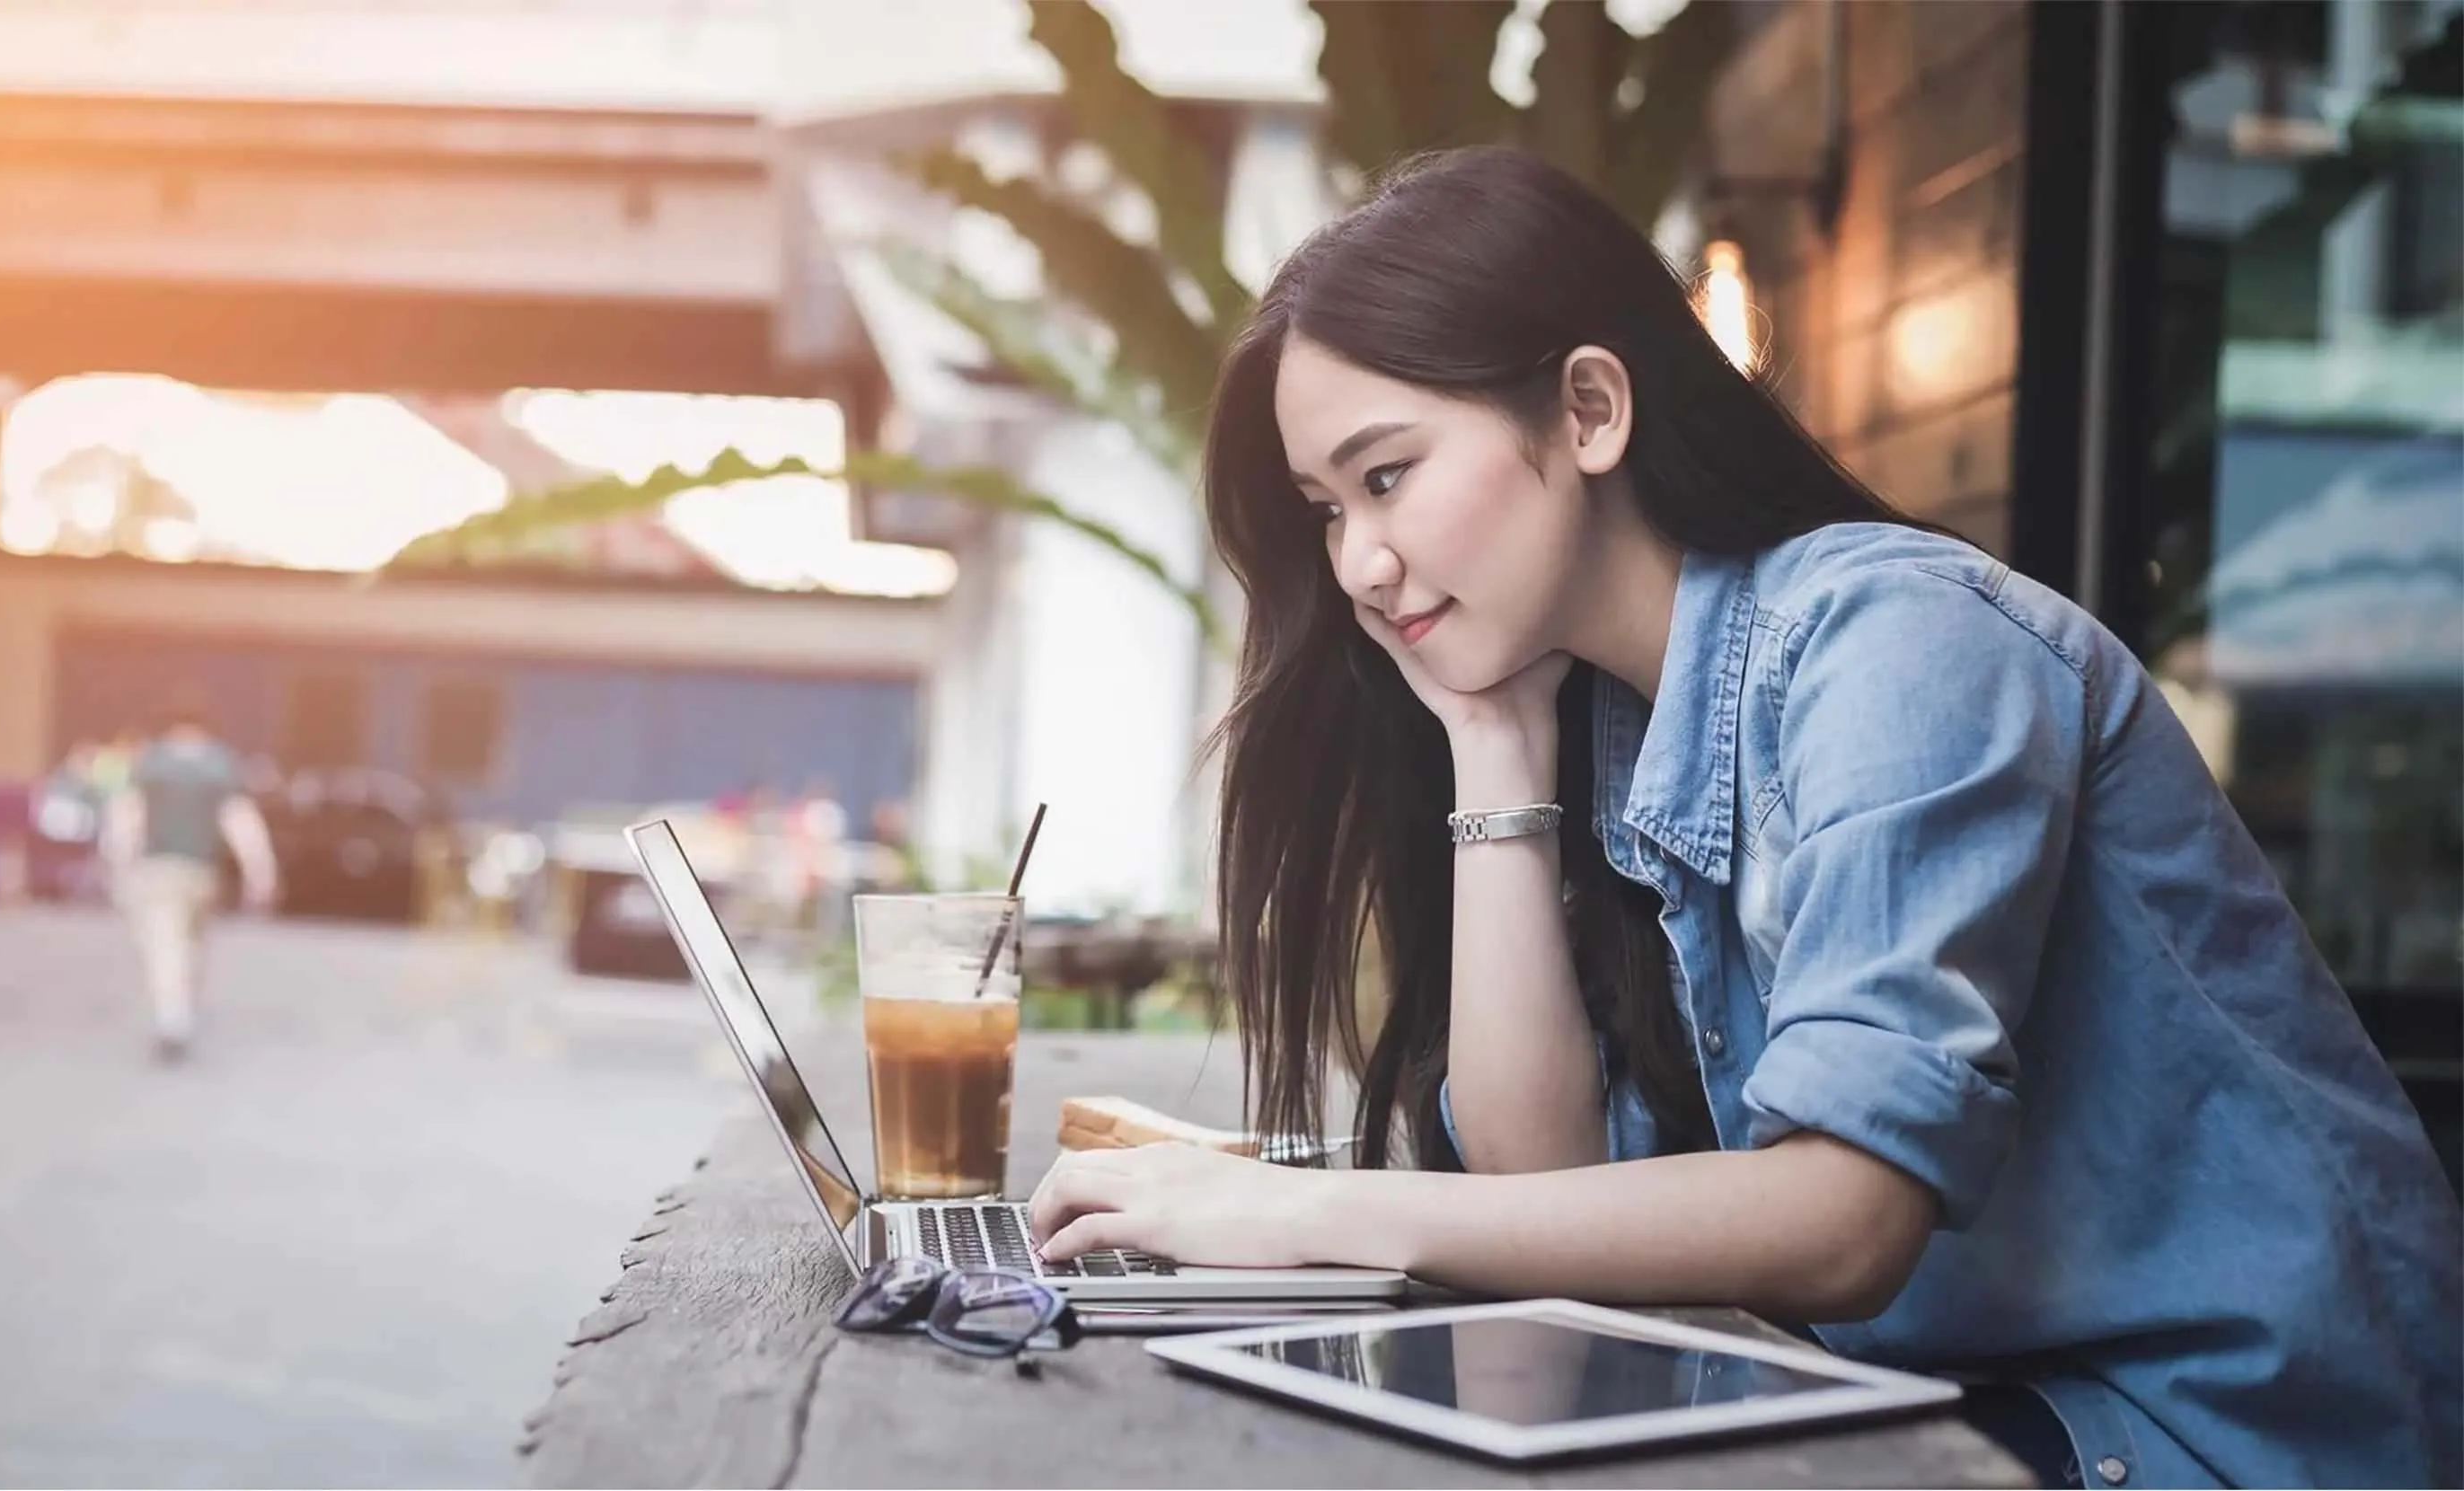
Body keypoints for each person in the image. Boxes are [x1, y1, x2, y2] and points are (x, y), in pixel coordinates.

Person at [1024, 148, 2460, 1488]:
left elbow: (1845, 1216)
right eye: (1326, 509)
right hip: (1945, 1403)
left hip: (2210, 1434)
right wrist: (1487, 738)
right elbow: (1551, 1192)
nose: (1358, 560)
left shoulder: (1896, 645)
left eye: (1386, 475)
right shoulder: (1592, 713)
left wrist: (1307, 1222)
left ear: (1589, 409)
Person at [102, 694, 278, 1062]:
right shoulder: (221, 765)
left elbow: (127, 815)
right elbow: (240, 821)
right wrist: (260, 870)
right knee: (193, 946)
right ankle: (180, 1011)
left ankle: (173, 1020)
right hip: (202, 871)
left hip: (158, 867)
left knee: (165, 945)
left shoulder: (151, 763)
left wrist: (117, 860)